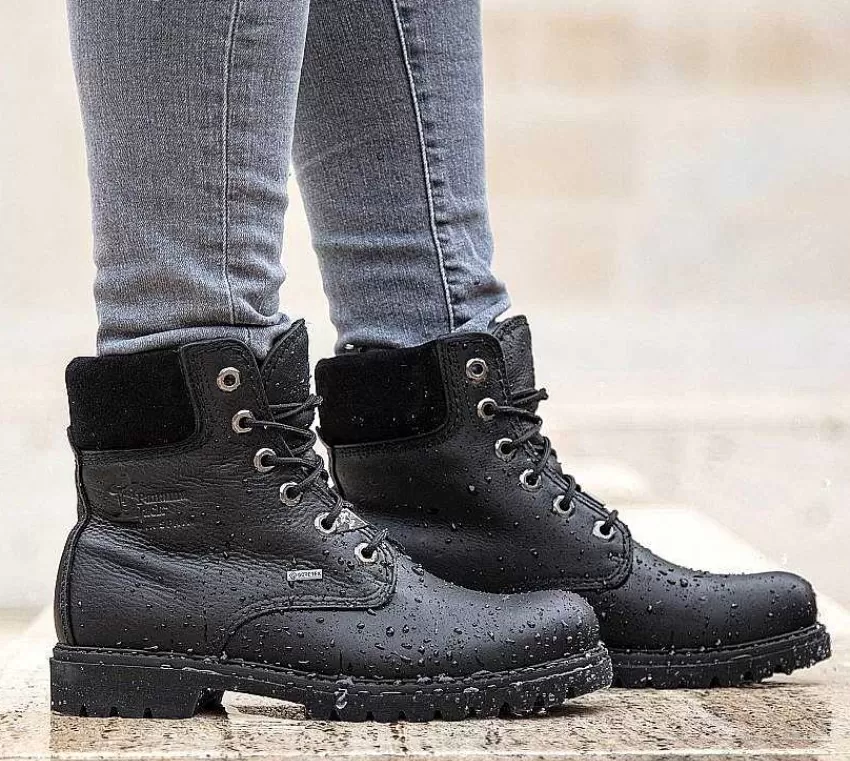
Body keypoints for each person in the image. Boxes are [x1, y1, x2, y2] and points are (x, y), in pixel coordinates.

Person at [50, 0, 829, 721]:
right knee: (199, 312)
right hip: (181, 534)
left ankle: (441, 485)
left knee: (425, 308)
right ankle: (183, 533)